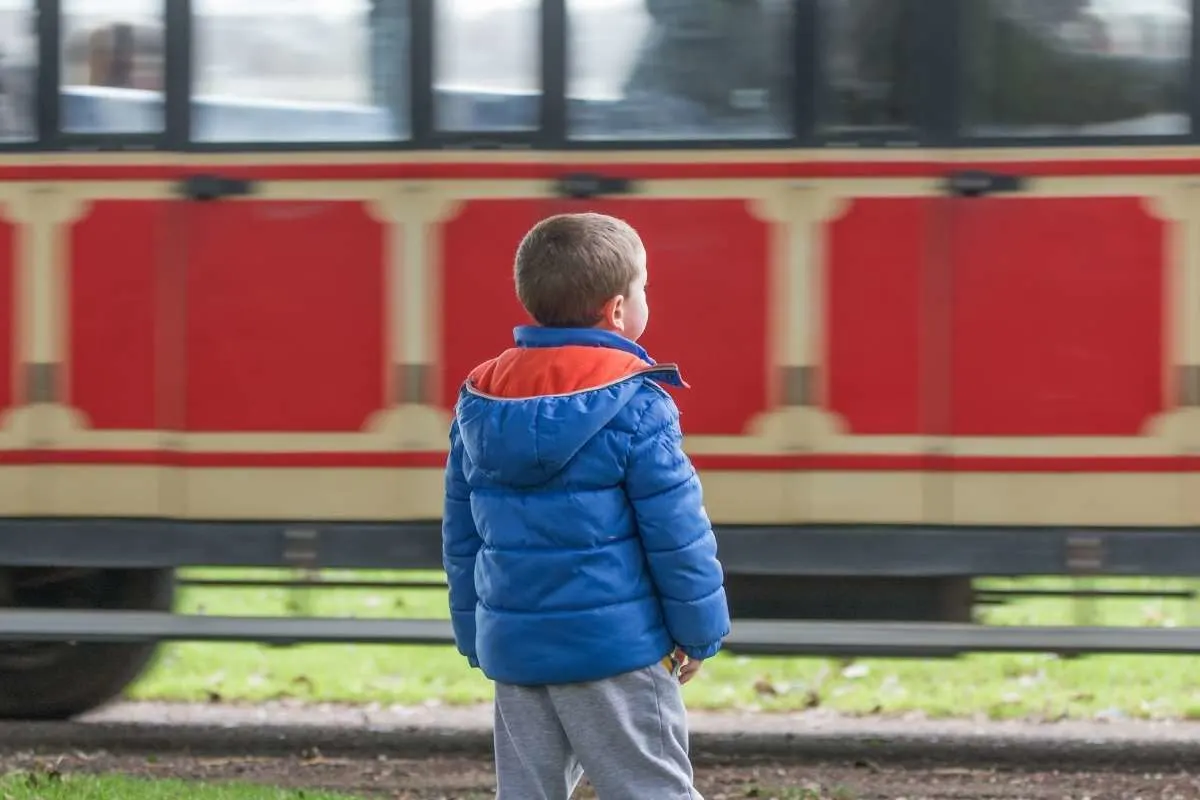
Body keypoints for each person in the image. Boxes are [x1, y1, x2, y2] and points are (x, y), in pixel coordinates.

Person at [442, 212, 730, 799]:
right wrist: (700, 633)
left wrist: (476, 632)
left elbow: (462, 534)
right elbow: (677, 533)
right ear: (617, 310)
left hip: (517, 651)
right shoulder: (636, 400)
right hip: (616, 649)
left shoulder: (481, 396)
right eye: (643, 286)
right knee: (652, 789)